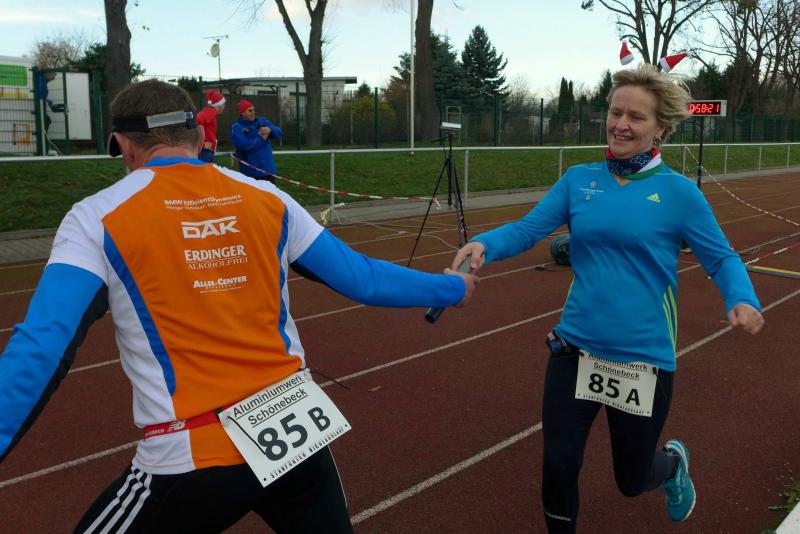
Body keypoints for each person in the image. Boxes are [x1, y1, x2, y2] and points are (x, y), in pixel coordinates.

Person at [0, 79, 478, 533]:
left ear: (124, 146)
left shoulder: (95, 217)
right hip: (295, 431)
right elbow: (364, 280)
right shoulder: (268, 197)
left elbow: (42, 345)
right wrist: (452, 288)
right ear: (196, 135)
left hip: (192, 453)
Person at [449, 64, 764, 533]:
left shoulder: (679, 194)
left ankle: (672, 466)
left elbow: (721, 258)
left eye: (636, 117)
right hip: (575, 346)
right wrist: (485, 245)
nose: (621, 124)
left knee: (632, 479)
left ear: (660, 128)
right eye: (616, 113)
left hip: (642, 358)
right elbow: (529, 229)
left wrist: (742, 298)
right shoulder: (579, 180)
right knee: (558, 465)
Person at [231, 99, 282, 183]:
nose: (253, 112)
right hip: (250, 173)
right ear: (242, 113)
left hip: (267, 170)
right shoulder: (237, 127)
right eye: (250, 111)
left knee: (269, 192)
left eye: (254, 110)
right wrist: (262, 139)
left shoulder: (263, 121)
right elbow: (244, 145)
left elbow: (279, 133)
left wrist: (270, 130)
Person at [196, 89, 226, 163]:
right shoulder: (211, 111)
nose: (224, 106)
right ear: (219, 104)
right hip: (205, 152)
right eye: (223, 104)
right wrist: (203, 144)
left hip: (205, 150)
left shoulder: (209, 112)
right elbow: (198, 119)